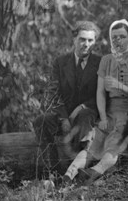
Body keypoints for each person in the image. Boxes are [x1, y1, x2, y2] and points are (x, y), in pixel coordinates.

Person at [61, 19, 128, 186]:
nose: (118, 40)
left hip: (127, 111)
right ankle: (70, 174)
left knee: (114, 142)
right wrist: (103, 116)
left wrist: (120, 86)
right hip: (108, 109)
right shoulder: (106, 60)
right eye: (114, 37)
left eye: (122, 36)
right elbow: (100, 92)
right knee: (94, 142)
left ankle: (92, 173)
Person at [33, 21, 102, 173]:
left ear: (95, 41)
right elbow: (52, 92)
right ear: (74, 39)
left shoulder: (100, 63)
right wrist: (63, 118)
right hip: (64, 114)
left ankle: (79, 171)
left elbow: (103, 94)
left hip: (89, 115)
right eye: (82, 39)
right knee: (41, 121)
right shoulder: (61, 62)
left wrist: (82, 107)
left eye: (90, 40)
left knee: (84, 117)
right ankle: (54, 173)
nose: (86, 44)